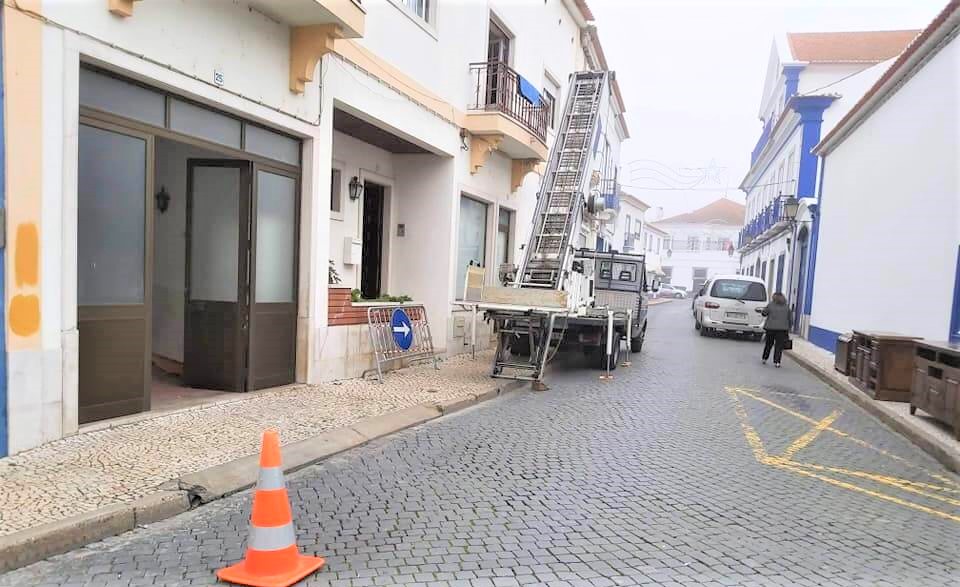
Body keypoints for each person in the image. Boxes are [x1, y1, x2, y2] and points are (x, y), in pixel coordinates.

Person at [761, 292, 791, 367]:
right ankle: (777, 362)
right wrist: (789, 327)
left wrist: (764, 311)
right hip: (782, 330)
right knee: (779, 346)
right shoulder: (786, 306)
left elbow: (764, 313)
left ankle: (764, 358)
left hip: (770, 329)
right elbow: (790, 318)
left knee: (768, 344)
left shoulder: (770, 305)